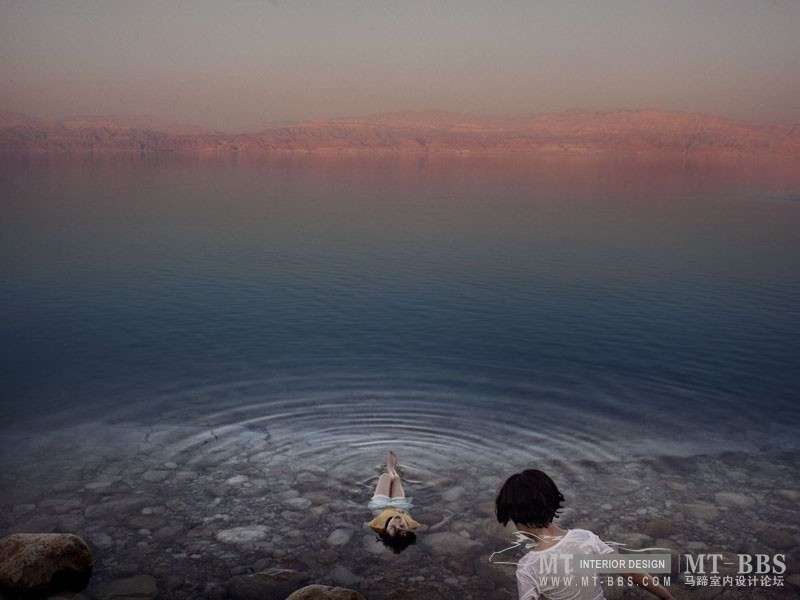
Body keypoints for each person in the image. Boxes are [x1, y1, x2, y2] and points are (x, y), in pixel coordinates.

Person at [495, 469, 674, 600]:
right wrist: (668, 598)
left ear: (517, 519)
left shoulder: (528, 567)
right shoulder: (584, 539)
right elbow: (632, 572)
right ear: (552, 503)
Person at [366, 451, 421, 552]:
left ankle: (389, 466)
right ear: (408, 530)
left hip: (380, 505)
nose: (397, 521)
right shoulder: (414, 525)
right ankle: (392, 468)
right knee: (396, 478)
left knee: (385, 476)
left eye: (392, 526)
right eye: (402, 526)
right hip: (400, 506)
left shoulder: (375, 526)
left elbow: (363, 526)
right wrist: (446, 520)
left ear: (385, 531)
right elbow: (427, 529)